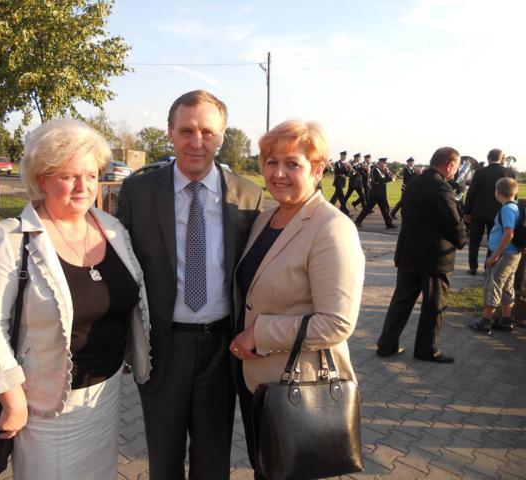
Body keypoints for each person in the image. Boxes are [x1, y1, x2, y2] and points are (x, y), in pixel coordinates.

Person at [0, 119, 151, 479]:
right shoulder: (10, 239)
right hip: (45, 408)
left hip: (106, 395)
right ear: (42, 179)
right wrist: (12, 400)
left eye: (92, 175)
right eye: (69, 176)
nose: (84, 187)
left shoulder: (112, 229)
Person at [116, 90, 263, 480]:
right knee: (164, 460)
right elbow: (120, 268)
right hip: (163, 348)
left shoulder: (249, 196)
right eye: (186, 131)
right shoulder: (138, 192)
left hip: (222, 348)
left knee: (213, 462)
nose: (197, 142)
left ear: (222, 136)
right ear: (170, 132)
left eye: (207, 132)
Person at [228, 120, 365, 479]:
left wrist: (259, 334)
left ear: (317, 169)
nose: (278, 173)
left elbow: (337, 323)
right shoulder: (266, 219)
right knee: (265, 469)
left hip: (300, 387)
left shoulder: (331, 228)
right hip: (258, 382)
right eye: (271, 162)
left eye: (292, 164)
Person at [376, 147, 467, 363]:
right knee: (434, 304)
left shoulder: (414, 182)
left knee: (401, 301)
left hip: (408, 253)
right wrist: (462, 239)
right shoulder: (441, 187)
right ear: (449, 165)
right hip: (433, 257)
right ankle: (426, 349)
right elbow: (453, 222)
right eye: (456, 166)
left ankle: (386, 344)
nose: (456, 171)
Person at [470, 177, 522, 333]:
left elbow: (508, 233)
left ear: (498, 192)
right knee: (506, 286)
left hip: (504, 255)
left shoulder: (507, 209)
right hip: (512, 254)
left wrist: (494, 257)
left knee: (494, 285)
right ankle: (506, 319)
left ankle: (486, 321)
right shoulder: (515, 207)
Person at [463, 148, 512, 275]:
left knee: (474, 241)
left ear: (488, 158)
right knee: (493, 241)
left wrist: (467, 211)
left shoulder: (480, 172)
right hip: (498, 213)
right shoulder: (508, 172)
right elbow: (513, 194)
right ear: (502, 158)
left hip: (478, 211)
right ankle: (488, 267)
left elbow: (471, 192)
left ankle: (473, 267)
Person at [354, 157, 396, 229]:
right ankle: (357, 221)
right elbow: (377, 181)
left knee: (385, 209)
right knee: (367, 209)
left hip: (381, 194)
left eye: (386, 164)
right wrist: (390, 179)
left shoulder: (381, 170)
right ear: (380, 163)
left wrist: (387, 173)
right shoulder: (374, 170)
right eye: (385, 163)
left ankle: (389, 224)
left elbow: (385, 178)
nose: (385, 165)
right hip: (375, 194)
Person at [329, 150, 351, 215]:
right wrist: (345, 167)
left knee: (336, 196)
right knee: (341, 196)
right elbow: (338, 171)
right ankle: (346, 211)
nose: (344, 157)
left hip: (342, 181)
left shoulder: (346, 163)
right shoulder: (337, 163)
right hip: (338, 181)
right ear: (341, 156)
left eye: (345, 156)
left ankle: (329, 206)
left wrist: (349, 169)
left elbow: (347, 174)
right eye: (343, 156)